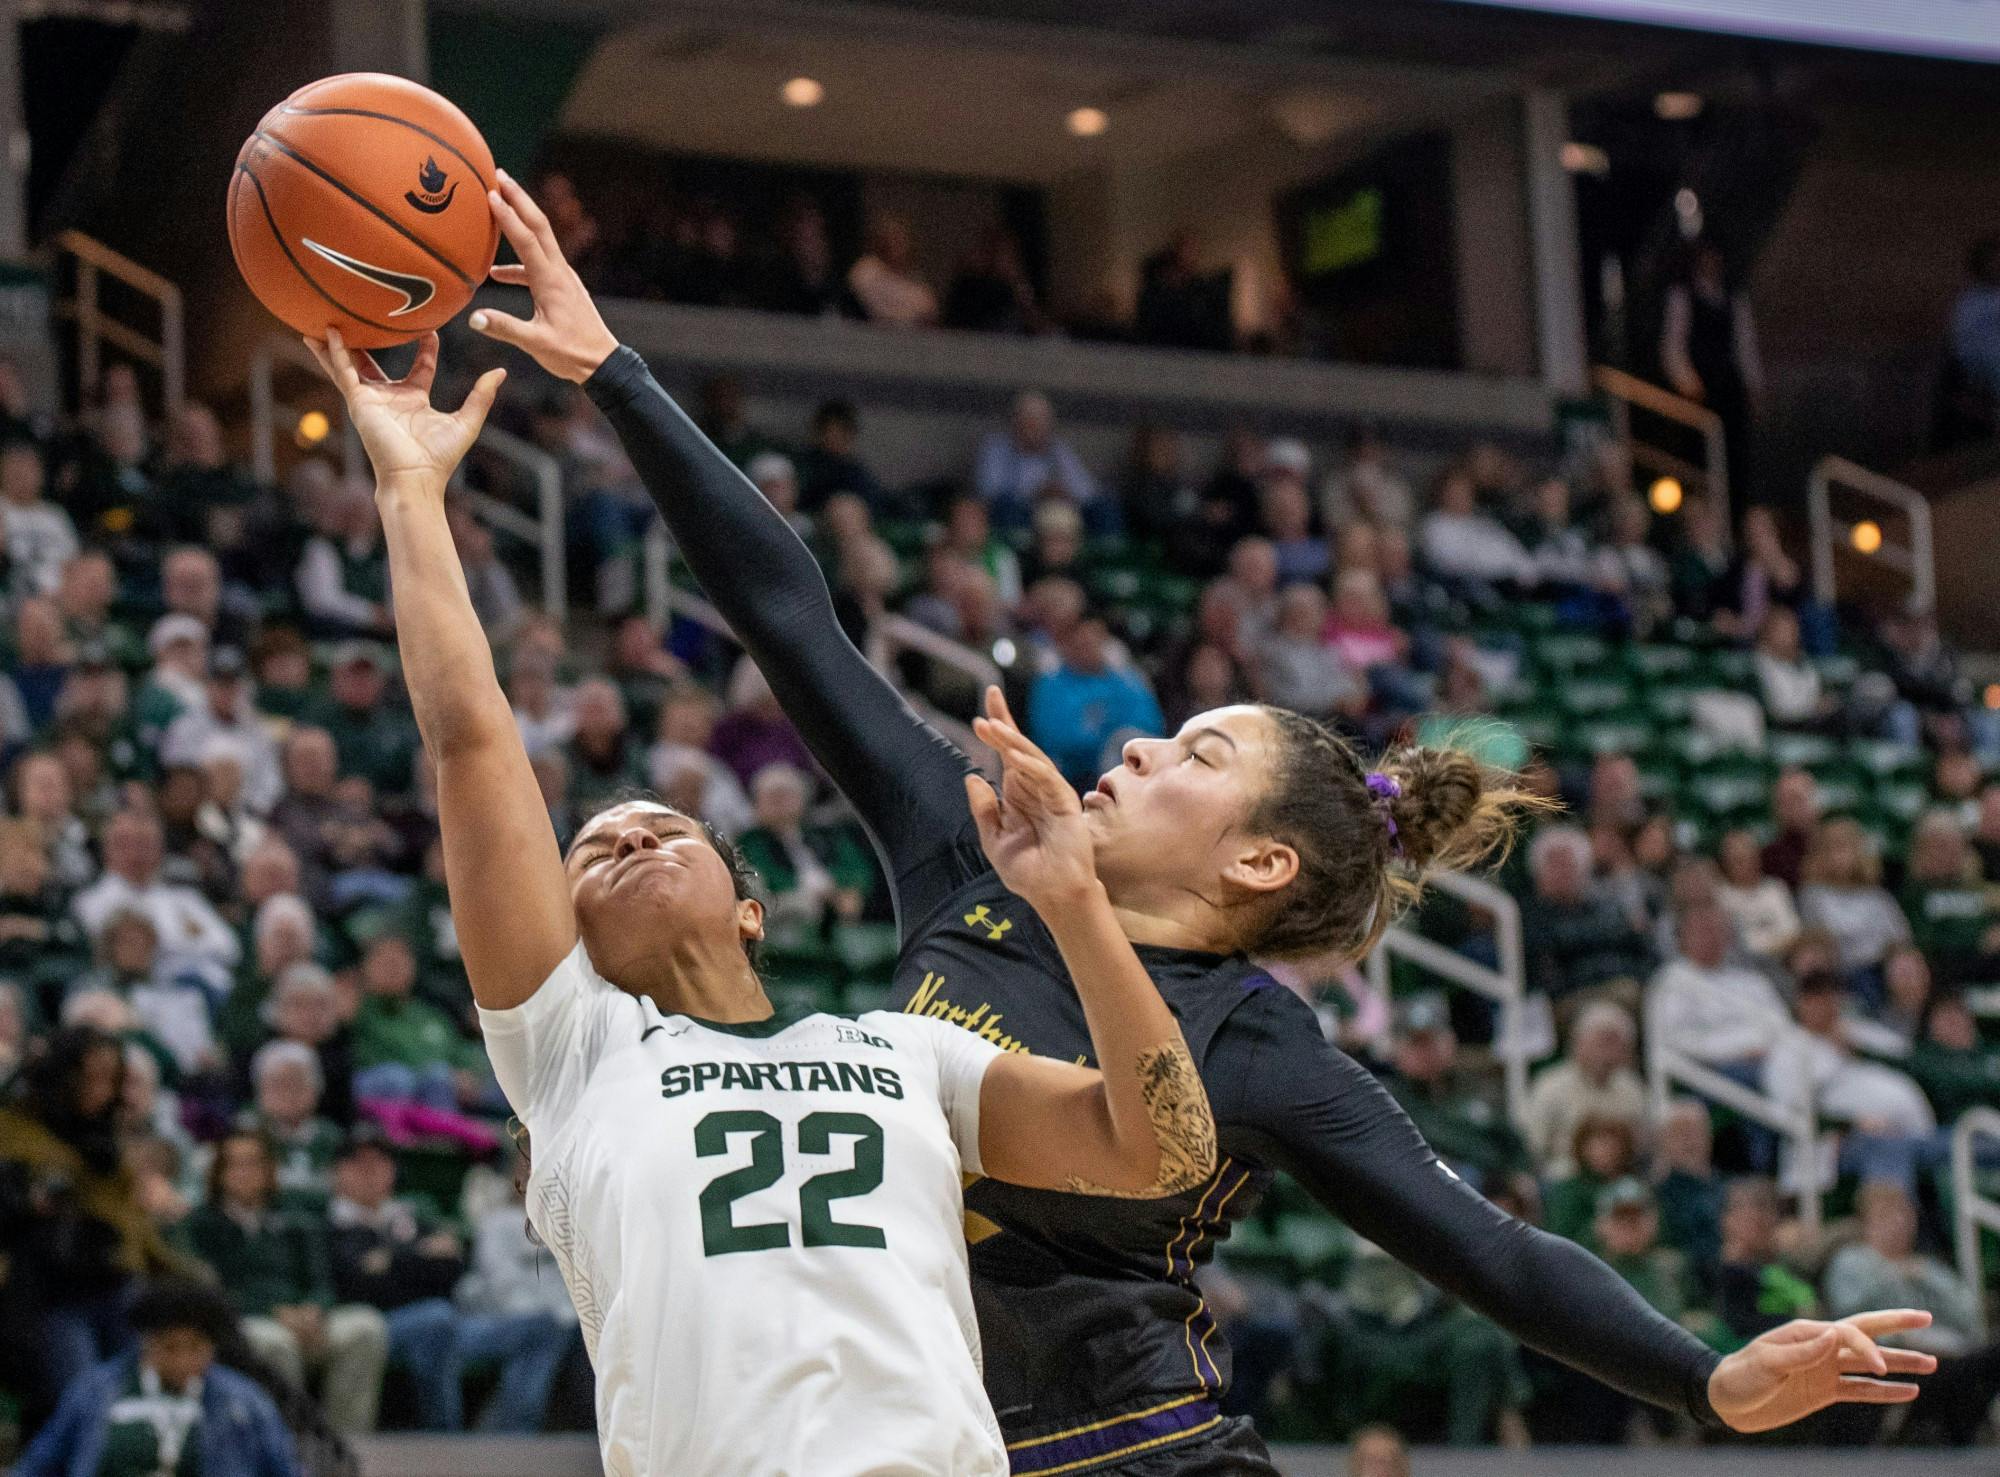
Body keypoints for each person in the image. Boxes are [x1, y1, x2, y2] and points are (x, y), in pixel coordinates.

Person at [466, 171, 1937, 1470]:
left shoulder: (1263, 1049)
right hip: (920, 1442)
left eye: (1190, 751)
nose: (1135, 745)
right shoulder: (965, 846)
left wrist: (1700, 1376)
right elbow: (795, 619)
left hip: (1140, 1447)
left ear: (1259, 859)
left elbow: (1488, 1246)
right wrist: (615, 374)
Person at [306, 306, 1219, 1477]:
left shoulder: (904, 1051)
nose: (628, 833)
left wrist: (1080, 905)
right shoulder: (574, 1050)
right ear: (564, 929)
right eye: (593, 847)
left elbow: (1163, 1150)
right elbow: (475, 742)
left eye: (663, 826)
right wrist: (410, 492)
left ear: (753, 907)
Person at [0, 1028, 191, 1422]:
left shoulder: (112, 1141)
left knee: (139, 1400)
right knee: (84, 1405)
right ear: (64, 1076)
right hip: (48, 1293)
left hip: (115, 1281)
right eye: (91, 1077)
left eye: (111, 1078)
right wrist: (27, 1202)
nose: (101, 1090)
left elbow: (129, 1224)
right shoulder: (15, 1133)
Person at [325, 1128, 568, 1433]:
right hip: (378, 1328)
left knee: (545, 1325)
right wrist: (419, 1258)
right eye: (359, 1163)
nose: (371, 1171)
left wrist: (393, 1262)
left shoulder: (408, 1214)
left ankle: (503, 1440)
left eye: (381, 1162)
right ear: (336, 1172)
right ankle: (446, 1444)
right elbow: (360, 1286)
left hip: (449, 1319)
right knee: (434, 1320)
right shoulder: (330, 1222)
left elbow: (450, 1267)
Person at [180, 1129, 388, 1435]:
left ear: (269, 1170)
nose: (245, 1173)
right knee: (276, 1344)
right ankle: (290, 1448)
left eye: (253, 1164)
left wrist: (315, 1309)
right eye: (235, 1164)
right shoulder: (201, 1224)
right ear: (219, 1172)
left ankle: (346, 1443)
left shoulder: (297, 1217)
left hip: (307, 1322)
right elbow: (212, 1293)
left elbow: (321, 1280)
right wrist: (275, 1312)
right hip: (246, 1321)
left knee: (366, 1327)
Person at [15, 1279, 299, 1477]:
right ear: (147, 1343)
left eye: (196, 1348)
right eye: (171, 1347)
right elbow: (42, 1460)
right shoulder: (95, 1389)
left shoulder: (243, 1401)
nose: (183, 1360)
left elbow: (283, 1467)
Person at [1823, 1181, 2000, 1445]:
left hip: (1947, 1353)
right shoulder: (1852, 1262)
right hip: (1887, 1354)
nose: (1898, 1224)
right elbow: (1847, 1314)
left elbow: (1970, 1316)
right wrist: (1892, 1275)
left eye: (1904, 1216)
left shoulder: (1929, 1267)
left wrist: (1926, 1278)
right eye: (1887, 1216)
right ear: (1867, 1223)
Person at [1661, 240, 1763, 497]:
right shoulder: (1683, 295)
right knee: (1700, 457)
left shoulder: (1732, 297)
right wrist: (1688, 383)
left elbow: (1745, 344)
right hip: (1701, 389)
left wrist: (1752, 384)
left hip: (1729, 386)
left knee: (1736, 459)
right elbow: (1673, 344)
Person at [1522, 1000, 1647, 1178]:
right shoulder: (1550, 1085)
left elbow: (1642, 1146)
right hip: (1564, 1177)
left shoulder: (1633, 1088)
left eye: (1616, 1043)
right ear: (1579, 1043)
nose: (1608, 1052)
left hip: (1619, 1180)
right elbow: (1532, 1143)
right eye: (1602, 1042)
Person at [847, 213, 938, 328]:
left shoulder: (917, 283)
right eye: (892, 239)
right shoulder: (865, 271)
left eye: (901, 240)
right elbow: (872, 309)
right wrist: (908, 318)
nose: (897, 246)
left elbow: (928, 310)